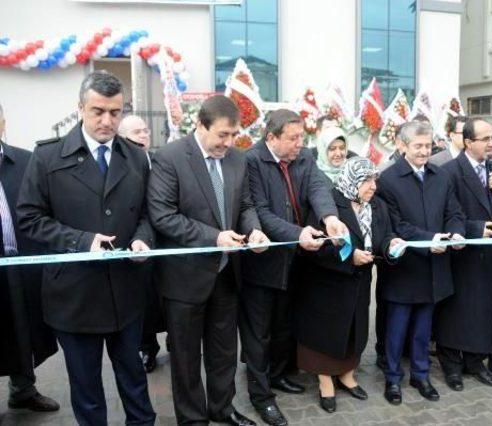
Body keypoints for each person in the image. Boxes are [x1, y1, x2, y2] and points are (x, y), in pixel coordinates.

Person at [16, 71, 155, 425]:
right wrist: (81, 240)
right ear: (80, 108)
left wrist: (143, 238)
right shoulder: (47, 157)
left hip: (126, 292)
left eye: (115, 112)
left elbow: (146, 214)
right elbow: (30, 218)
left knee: (136, 383)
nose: (107, 121)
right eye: (98, 111)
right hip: (74, 296)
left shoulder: (136, 158)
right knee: (87, 391)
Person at [148, 95, 267, 425]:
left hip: (226, 276)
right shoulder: (170, 157)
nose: (228, 143)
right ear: (200, 126)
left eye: (233, 136)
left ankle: (222, 408)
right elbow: (162, 215)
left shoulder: (237, 160)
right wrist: (213, 237)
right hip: (184, 279)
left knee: (225, 351)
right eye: (222, 135)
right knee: (185, 357)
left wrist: (254, 231)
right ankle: (192, 418)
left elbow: (245, 207)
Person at [240, 109, 348, 426]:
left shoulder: (304, 159)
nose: (300, 143)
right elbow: (259, 211)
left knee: (284, 325)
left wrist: (329, 217)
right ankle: (261, 396)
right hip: (263, 263)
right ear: (271, 137)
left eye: (302, 137)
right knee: (258, 334)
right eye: (293, 138)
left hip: (295, 261)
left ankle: (277, 375)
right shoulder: (252, 161)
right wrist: (296, 234)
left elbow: (317, 188)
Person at [294, 157, 403, 413]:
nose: (373, 186)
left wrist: (390, 246)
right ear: (352, 180)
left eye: (374, 179)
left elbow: (384, 235)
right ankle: (324, 380)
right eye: (366, 180)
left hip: (359, 283)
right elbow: (313, 249)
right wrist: (349, 257)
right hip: (327, 284)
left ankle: (346, 375)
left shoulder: (377, 205)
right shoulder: (329, 205)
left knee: (354, 329)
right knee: (326, 332)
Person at [376, 120, 465, 406]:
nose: (425, 151)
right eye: (418, 146)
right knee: (397, 328)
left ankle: (420, 374)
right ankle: (392, 379)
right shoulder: (387, 181)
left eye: (428, 145)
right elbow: (396, 225)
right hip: (406, 269)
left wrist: (456, 233)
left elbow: (454, 211)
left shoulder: (441, 176)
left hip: (434, 268)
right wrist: (431, 239)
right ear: (402, 146)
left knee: (424, 329)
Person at [434, 118, 492, 391]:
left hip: (491, 257)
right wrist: (474, 228)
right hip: (462, 253)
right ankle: (451, 365)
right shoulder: (448, 172)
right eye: (485, 139)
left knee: (483, 311)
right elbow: (443, 214)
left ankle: (474, 360)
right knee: (457, 312)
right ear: (468, 142)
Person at [0, 102, 59, 412]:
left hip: (23, 265)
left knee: (24, 328)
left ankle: (23, 388)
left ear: (3, 122)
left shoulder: (23, 161)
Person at [118, 114, 165, 373]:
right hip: (139, 242)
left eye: (145, 130)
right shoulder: (122, 165)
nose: (144, 135)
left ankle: (171, 339)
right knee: (144, 300)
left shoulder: (159, 161)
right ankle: (147, 347)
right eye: (137, 132)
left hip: (165, 240)